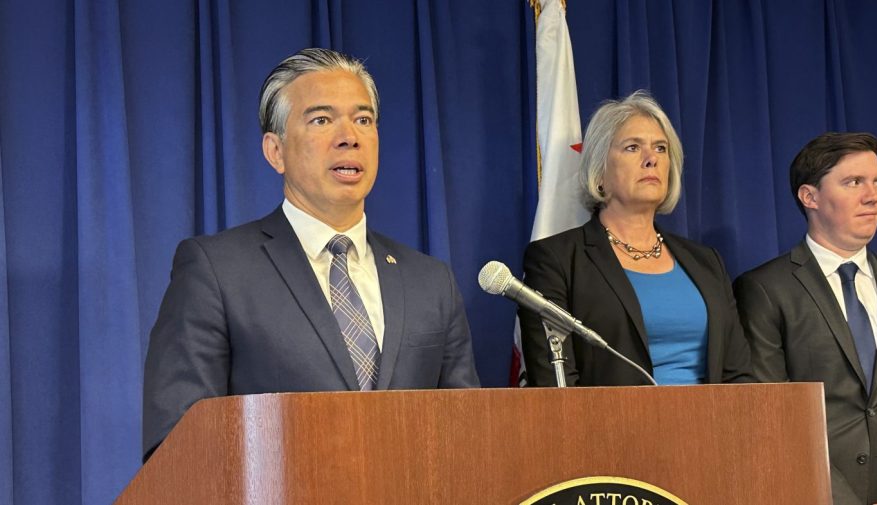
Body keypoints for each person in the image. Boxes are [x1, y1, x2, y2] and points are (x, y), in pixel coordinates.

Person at [142, 48, 480, 461]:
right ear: (275, 151)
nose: (348, 136)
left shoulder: (430, 281)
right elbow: (178, 444)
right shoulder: (216, 270)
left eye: (363, 119)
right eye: (322, 120)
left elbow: (467, 436)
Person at [519, 90, 753, 387]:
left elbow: (740, 376)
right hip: (613, 431)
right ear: (599, 172)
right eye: (632, 148)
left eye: (660, 148)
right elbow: (556, 385)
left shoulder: (706, 262)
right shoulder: (557, 259)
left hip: (713, 428)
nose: (651, 159)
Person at [734, 132, 877, 505]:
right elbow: (771, 417)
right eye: (853, 182)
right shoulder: (764, 289)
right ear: (810, 197)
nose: (873, 196)